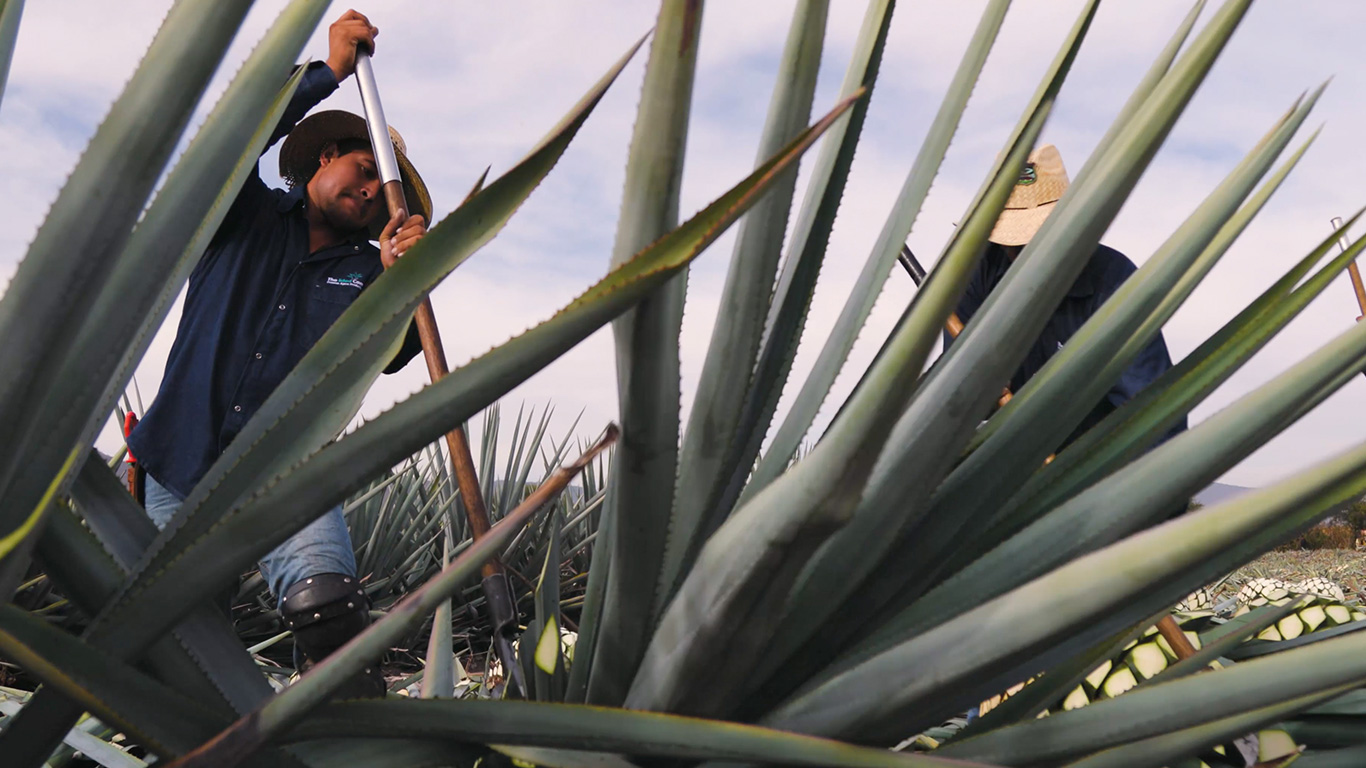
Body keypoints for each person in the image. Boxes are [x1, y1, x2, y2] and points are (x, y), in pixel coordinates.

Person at [126, 9, 428, 696]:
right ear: (324, 157)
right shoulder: (245, 215)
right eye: (361, 168)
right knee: (178, 647)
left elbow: (393, 354)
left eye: (379, 189)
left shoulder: (370, 272)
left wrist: (405, 283)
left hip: (285, 471)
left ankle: (339, 735)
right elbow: (231, 140)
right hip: (177, 458)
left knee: (329, 612)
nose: (368, 191)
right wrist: (328, 74)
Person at [949, 143, 1186, 451]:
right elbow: (950, 401)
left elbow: (1155, 420)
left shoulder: (1113, 284)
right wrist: (972, 392)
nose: (1028, 257)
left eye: (1040, 242)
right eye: (1016, 245)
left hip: (1098, 461)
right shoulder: (976, 273)